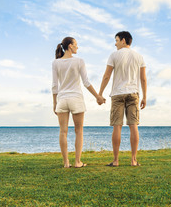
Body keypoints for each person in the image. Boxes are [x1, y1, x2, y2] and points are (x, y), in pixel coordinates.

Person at [52, 37, 105, 168]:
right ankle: (77, 162)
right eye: (76, 44)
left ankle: (66, 163)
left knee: (63, 132)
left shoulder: (55, 63)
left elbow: (54, 86)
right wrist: (97, 96)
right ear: (70, 46)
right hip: (76, 99)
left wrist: (54, 103)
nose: (77, 47)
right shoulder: (79, 61)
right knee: (78, 131)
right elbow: (86, 82)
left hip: (62, 100)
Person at [99, 31, 147, 167]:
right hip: (133, 94)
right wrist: (144, 96)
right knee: (134, 126)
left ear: (124, 40)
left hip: (117, 94)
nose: (115, 44)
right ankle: (133, 160)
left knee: (117, 127)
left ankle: (115, 160)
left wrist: (100, 93)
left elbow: (106, 76)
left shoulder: (114, 55)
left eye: (117, 40)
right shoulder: (139, 56)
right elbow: (143, 79)